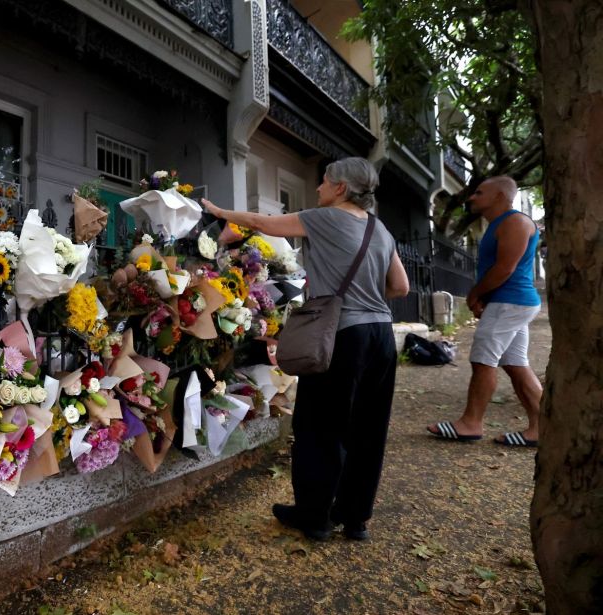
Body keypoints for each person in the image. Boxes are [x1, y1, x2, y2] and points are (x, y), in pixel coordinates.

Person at [202, 157, 409, 541]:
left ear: (340, 188)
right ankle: (355, 518)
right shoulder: (380, 230)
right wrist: (367, 297)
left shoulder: (324, 218)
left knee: (321, 425)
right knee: (368, 428)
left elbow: (263, 224)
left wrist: (217, 210)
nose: (318, 188)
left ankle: (314, 515)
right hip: (381, 334)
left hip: (342, 336)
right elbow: (401, 287)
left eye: (324, 181)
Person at [427, 176, 542, 447]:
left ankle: (470, 422)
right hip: (508, 302)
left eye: (479, 192)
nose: (471, 197)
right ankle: (541, 427)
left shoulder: (515, 221)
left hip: (511, 301)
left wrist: (475, 294)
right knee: (515, 363)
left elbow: (505, 268)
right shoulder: (498, 225)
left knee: (483, 359)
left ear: (500, 196)